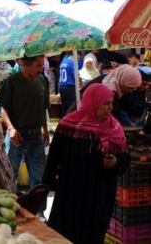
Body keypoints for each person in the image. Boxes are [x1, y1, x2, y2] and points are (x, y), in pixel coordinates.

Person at [43, 84, 130, 244]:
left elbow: (124, 158)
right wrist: (50, 181)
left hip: (99, 194)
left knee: (93, 235)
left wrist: (115, 163)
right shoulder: (68, 125)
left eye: (111, 103)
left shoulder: (114, 128)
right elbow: (54, 156)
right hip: (71, 193)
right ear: (93, 102)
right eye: (106, 103)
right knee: (65, 234)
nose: (110, 108)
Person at [0, 55, 50, 219]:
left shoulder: (42, 81)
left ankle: (39, 212)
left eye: (41, 66)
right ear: (26, 64)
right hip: (17, 136)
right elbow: (3, 108)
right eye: (37, 65)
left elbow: (43, 108)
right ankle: (9, 209)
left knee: (38, 178)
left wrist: (45, 130)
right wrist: (11, 128)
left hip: (36, 136)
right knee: (9, 175)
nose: (40, 69)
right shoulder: (12, 82)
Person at [59, 52, 77, 117]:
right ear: (74, 55)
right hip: (70, 87)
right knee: (71, 107)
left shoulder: (63, 62)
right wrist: (81, 82)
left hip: (62, 86)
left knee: (64, 107)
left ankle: (63, 121)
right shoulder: (72, 62)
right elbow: (76, 76)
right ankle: (70, 122)